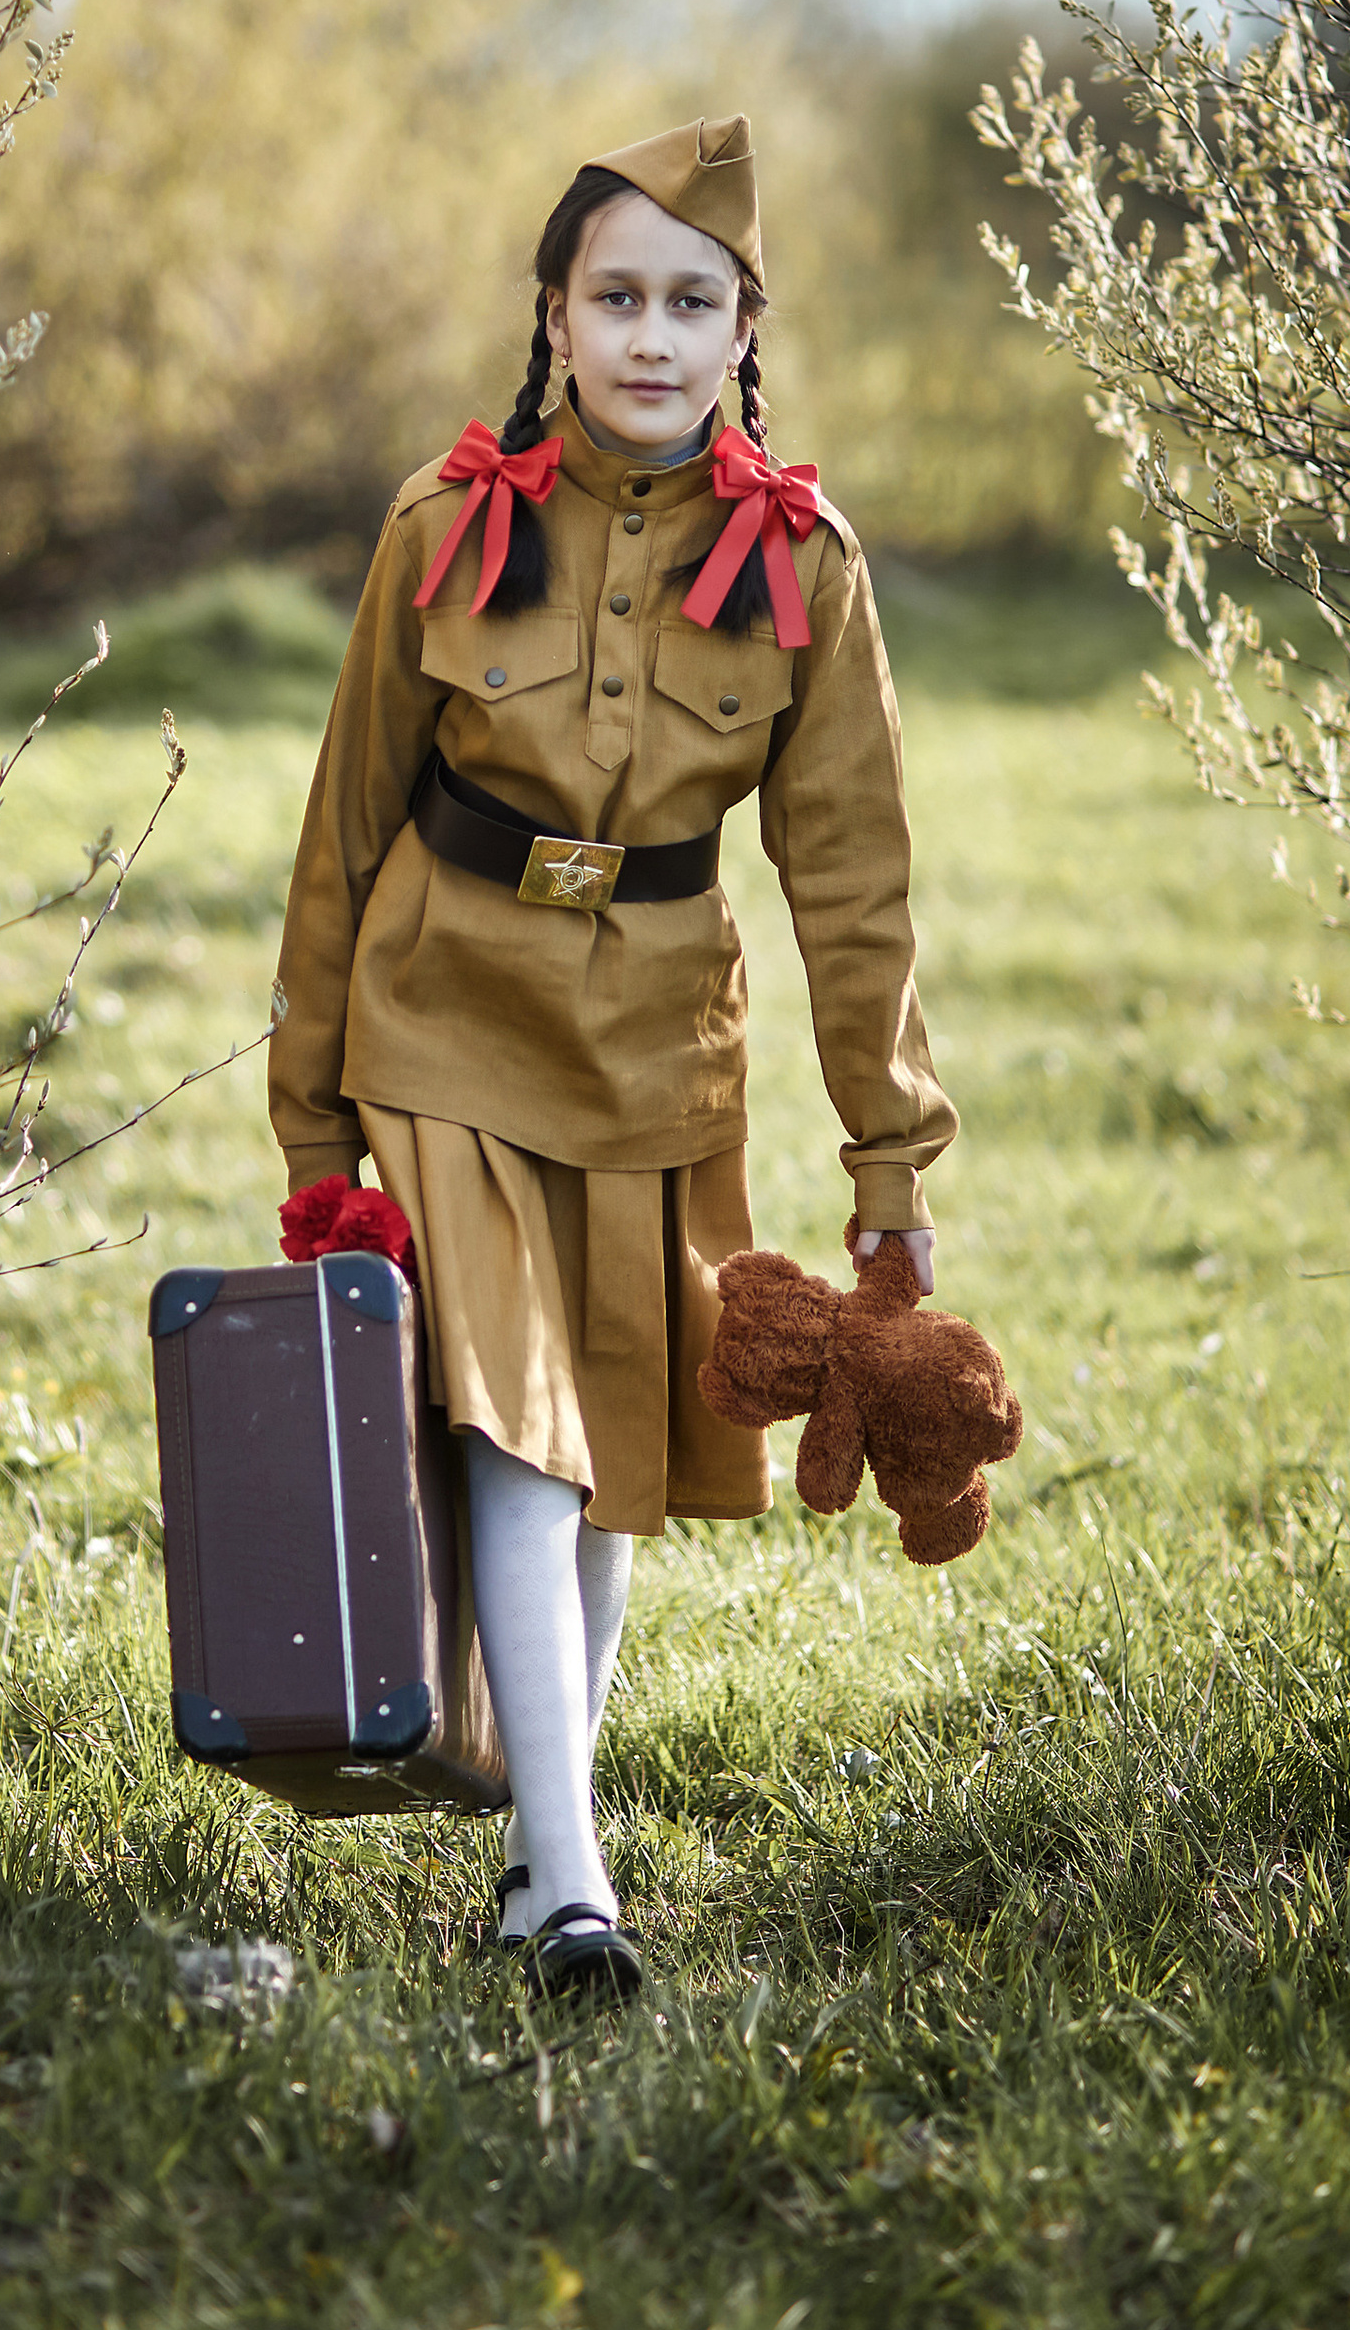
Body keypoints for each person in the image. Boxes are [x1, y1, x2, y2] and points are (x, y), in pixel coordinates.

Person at [268, 114, 955, 2004]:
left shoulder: (808, 567)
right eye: (616, 296)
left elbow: (853, 879)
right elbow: (340, 832)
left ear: (748, 328)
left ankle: (529, 1854)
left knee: (616, 1445)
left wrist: (887, 1168)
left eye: (694, 302)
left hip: (662, 1036)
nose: (653, 335)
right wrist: (314, 1118)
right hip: (444, 1009)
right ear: (554, 317)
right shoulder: (442, 522)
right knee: (516, 1429)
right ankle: (570, 1876)